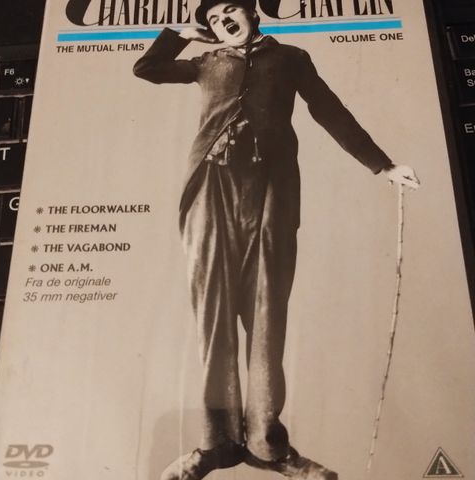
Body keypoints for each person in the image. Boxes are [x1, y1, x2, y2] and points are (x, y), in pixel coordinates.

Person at [133, 1, 420, 479]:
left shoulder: (290, 59)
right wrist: (183, 33)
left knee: (267, 316)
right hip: (210, 190)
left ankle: (268, 446)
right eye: (214, 18)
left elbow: (329, 110)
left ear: (252, 14)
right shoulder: (206, 62)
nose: (223, 21)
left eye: (231, 10)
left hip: (272, 192)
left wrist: (383, 165)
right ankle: (215, 446)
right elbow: (147, 69)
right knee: (212, 318)